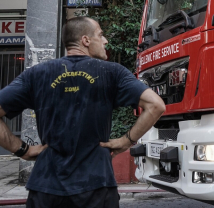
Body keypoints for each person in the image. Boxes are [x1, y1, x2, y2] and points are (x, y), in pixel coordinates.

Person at [0, 17, 166, 208]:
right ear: (86, 40)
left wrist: (23, 150)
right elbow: (156, 106)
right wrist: (126, 141)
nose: (105, 41)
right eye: (101, 35)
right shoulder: (112, 72)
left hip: (46, 186)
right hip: (96, 185)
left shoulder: (36, 74)